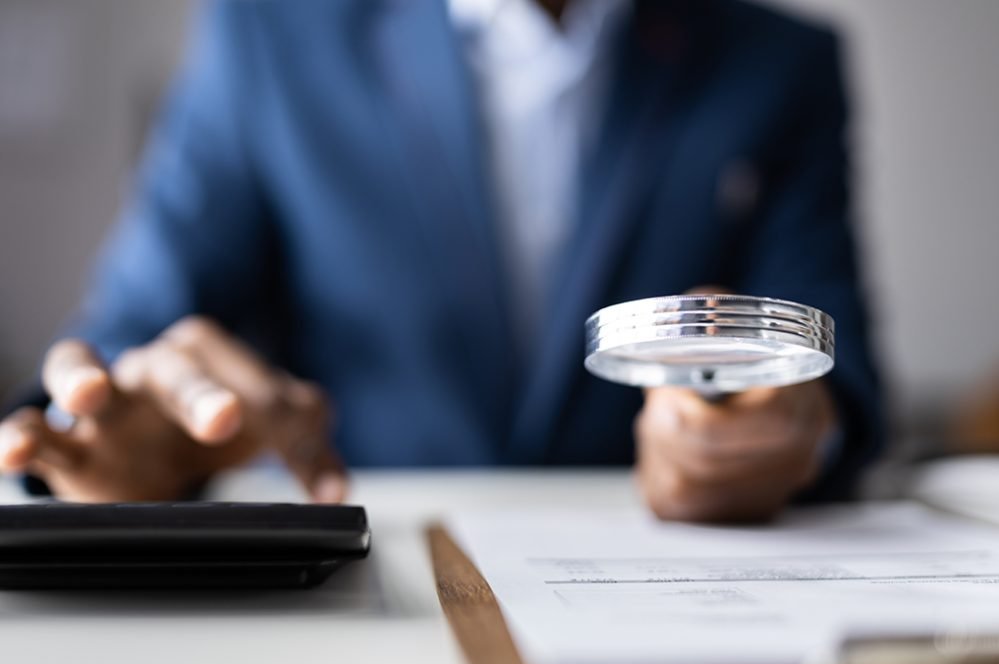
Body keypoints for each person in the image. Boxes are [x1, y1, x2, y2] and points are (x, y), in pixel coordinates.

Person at [0, 0, 882, 522]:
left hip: (676, 587)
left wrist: (793, 429)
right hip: (361, 598)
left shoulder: (780, 65)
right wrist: (113, 445)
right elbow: (130, 344)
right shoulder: (266, 36)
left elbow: (837, 367)